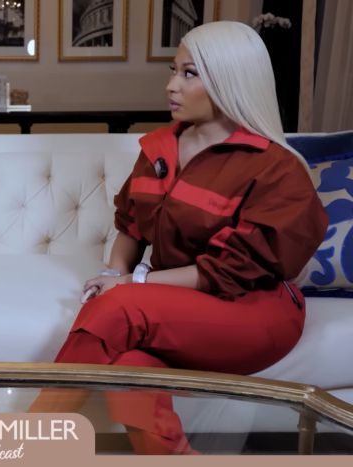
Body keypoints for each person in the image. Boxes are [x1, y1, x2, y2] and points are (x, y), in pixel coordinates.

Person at [28, 21, 328, 455]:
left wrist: (133, 284)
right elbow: (131, 227)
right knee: (130, 364)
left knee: (121, 308)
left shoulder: (276, 169)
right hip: (173, 303)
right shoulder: (158, 149)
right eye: (173, 70)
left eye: (190, 74)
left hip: (253, 311)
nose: (171, 86)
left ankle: (20, 449)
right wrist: (113, 273)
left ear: (230, 81)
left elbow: (226, 272)